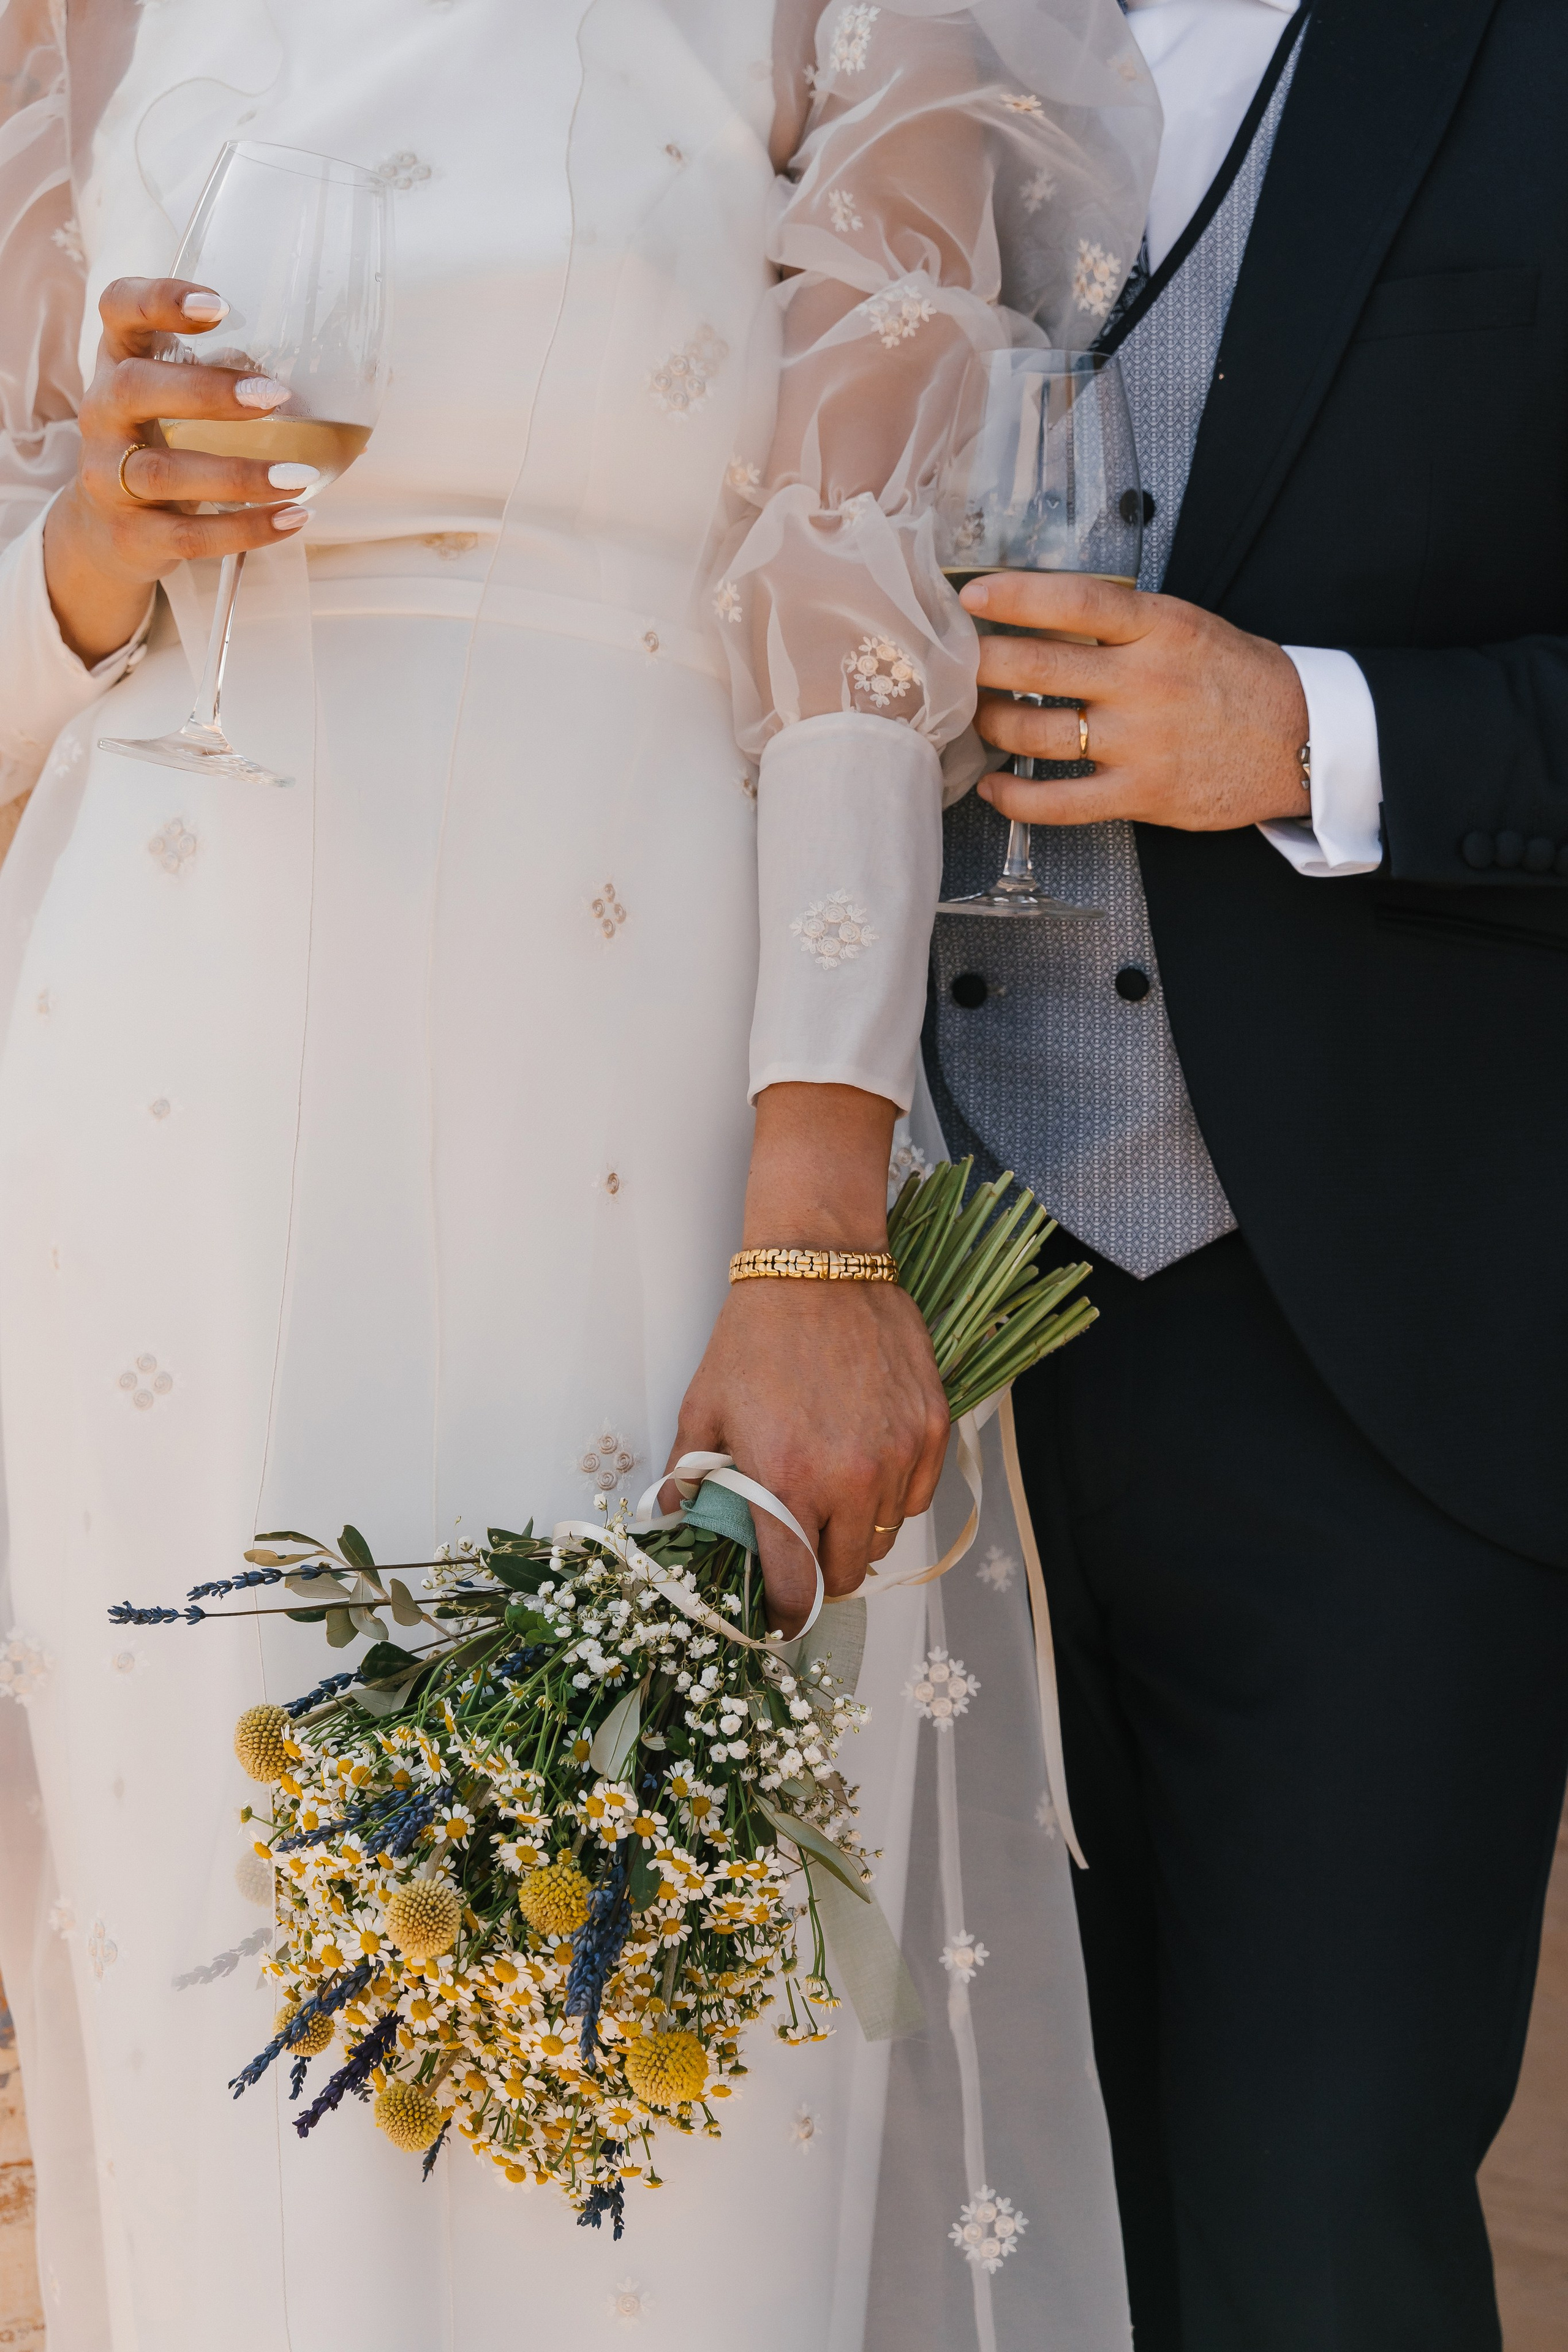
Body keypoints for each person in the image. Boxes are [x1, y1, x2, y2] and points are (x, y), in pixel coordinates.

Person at [0, 4, 1158, 2348]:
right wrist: (90, 545)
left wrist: (820, 1214)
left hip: (628, 1074)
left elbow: (850, 603)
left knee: (653, 2045)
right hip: (165, 1092)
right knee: (239, 2031)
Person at [895, 1, 1568, 2345]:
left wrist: (1312, 724)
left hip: (1351, 1332)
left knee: (1306, 2229)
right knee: (952, 2217)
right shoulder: (839, 42)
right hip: (864, 1328)